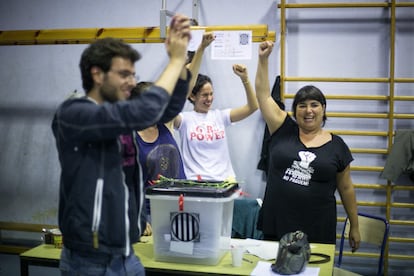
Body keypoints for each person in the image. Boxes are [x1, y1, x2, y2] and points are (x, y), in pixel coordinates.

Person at [51, 14, 192, 275]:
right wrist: (173, 60)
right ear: (97, 75)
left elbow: (169, 106)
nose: (131, 81)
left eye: (133, 75)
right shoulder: (75, 114)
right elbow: (141, 111)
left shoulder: (123, 116)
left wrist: (182, 62)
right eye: (123, 74)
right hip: (89, 260)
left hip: (127, 256)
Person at [254, 40, 361, 249]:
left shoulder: (337, 146)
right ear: (295, 111)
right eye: (302, 105)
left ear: (323, 109)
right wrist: (263, 59)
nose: (308, 110)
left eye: (314, 105)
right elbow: (263, 95)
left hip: (318, 229)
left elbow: (346, 187)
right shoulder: (282, 128)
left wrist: (354, 226)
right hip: (277, 224)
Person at [130, 32, 215, 222]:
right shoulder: (131, 139)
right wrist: (140, 221)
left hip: (183, 205)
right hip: (150, 214)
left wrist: (200, 48)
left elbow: (186, 85)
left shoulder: (165, 124)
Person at [173, 64, 259, 181]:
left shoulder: (220, 116)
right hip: (195, 182)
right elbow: (170, 109)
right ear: (192, 96)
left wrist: (245, 80)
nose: (209, 99)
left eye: (211, 94)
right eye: (205, 95)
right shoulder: (184, 119)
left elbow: (252, 107)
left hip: (224, 182)